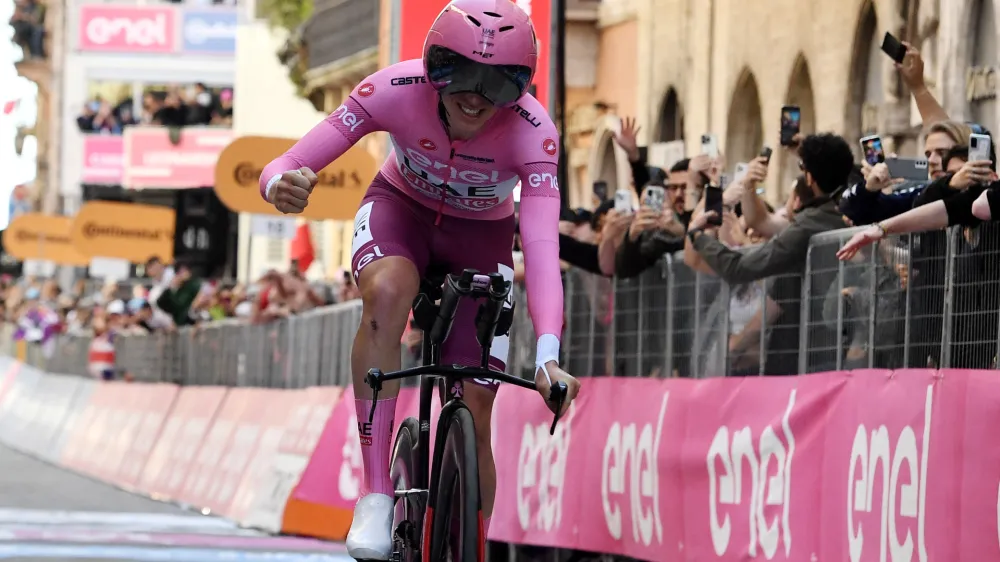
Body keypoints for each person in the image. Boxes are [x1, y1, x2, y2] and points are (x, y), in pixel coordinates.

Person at [257, 1, 581, 559]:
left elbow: (542, 248)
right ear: (432, 66)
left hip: (481, 237)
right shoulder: (391, 87)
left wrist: (549, 355)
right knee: (387, 291)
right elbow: (288, 161)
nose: (476, 96)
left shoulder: (535, 133)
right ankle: (375, 493)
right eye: (459, 73)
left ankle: (470, 546)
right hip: (399, 210)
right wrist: (278, 185)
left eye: (499, 83)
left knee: (477, 410)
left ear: (522, 86)